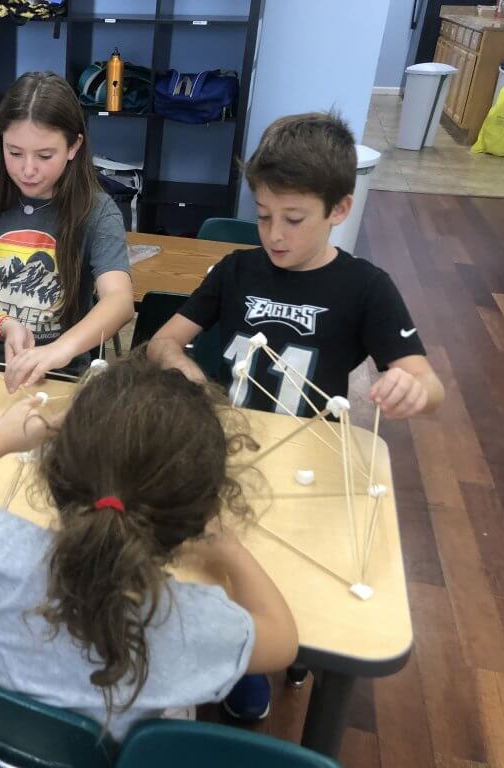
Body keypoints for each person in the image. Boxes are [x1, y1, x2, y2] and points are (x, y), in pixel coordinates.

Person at [148, 110, 444, 720]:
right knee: (210, 559)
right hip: (231, 451)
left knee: (299, 573)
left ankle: (283, 649)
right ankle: (234, 663)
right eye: (262, 216)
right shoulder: (236, 269)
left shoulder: (366, 286)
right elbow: (163, 343)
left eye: (293, 219)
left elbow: (426, 380)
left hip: (312, 465)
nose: (274, 234)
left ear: (339, 209)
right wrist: (185, 369)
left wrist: (411, 387)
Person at [0, 354, 297, 739]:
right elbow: (283, 641)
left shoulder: (7, 551)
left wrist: (2, 436)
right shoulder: (192, 619)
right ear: (203, 510)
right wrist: (227, 547)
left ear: (54, 471)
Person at [0, 71, 134, 393]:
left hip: (58, 372)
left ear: (74, 147)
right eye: (14, 152)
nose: (28, 169)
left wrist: (57, 351)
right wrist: (3, 324)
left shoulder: (96, 211)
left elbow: (119, 300)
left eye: (45, 156)